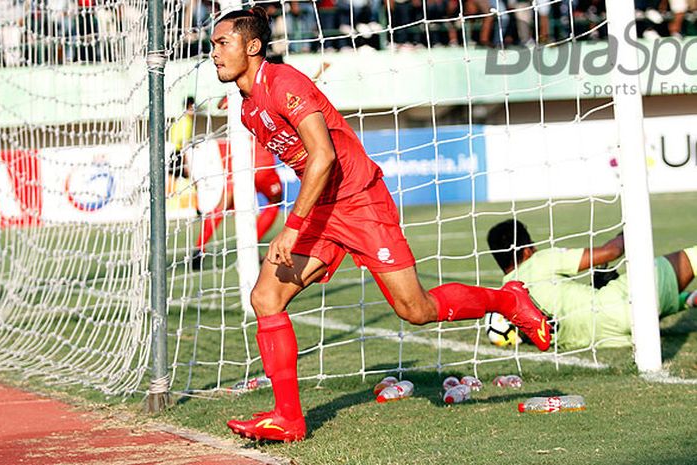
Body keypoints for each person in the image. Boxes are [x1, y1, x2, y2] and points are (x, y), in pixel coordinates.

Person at [210, 7, 550, 443]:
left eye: (222, 43)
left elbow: (325, 156)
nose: (214, 54)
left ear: (252, 47)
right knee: (266, 296)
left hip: (359, 203)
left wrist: (292, 226)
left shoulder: (284, 84)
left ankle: (508, 300)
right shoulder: (247, 108)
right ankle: (288, 419)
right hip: (323, 211)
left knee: (416, 310)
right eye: (213, 45)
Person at [487, 219, 697, 350]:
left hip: (603, 339)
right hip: (618, 304)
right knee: (689, 259)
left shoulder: (507, 296)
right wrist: (632, 226)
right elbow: (611, 251)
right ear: (526, 251)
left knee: (608, 286)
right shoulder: (537, 260)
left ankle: (688, 300)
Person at [191, 138, 283, 270]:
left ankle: (199, 248)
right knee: (275, 201)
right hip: (262, 167)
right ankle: (251, 244)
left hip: (238, 168)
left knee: (223, 207)